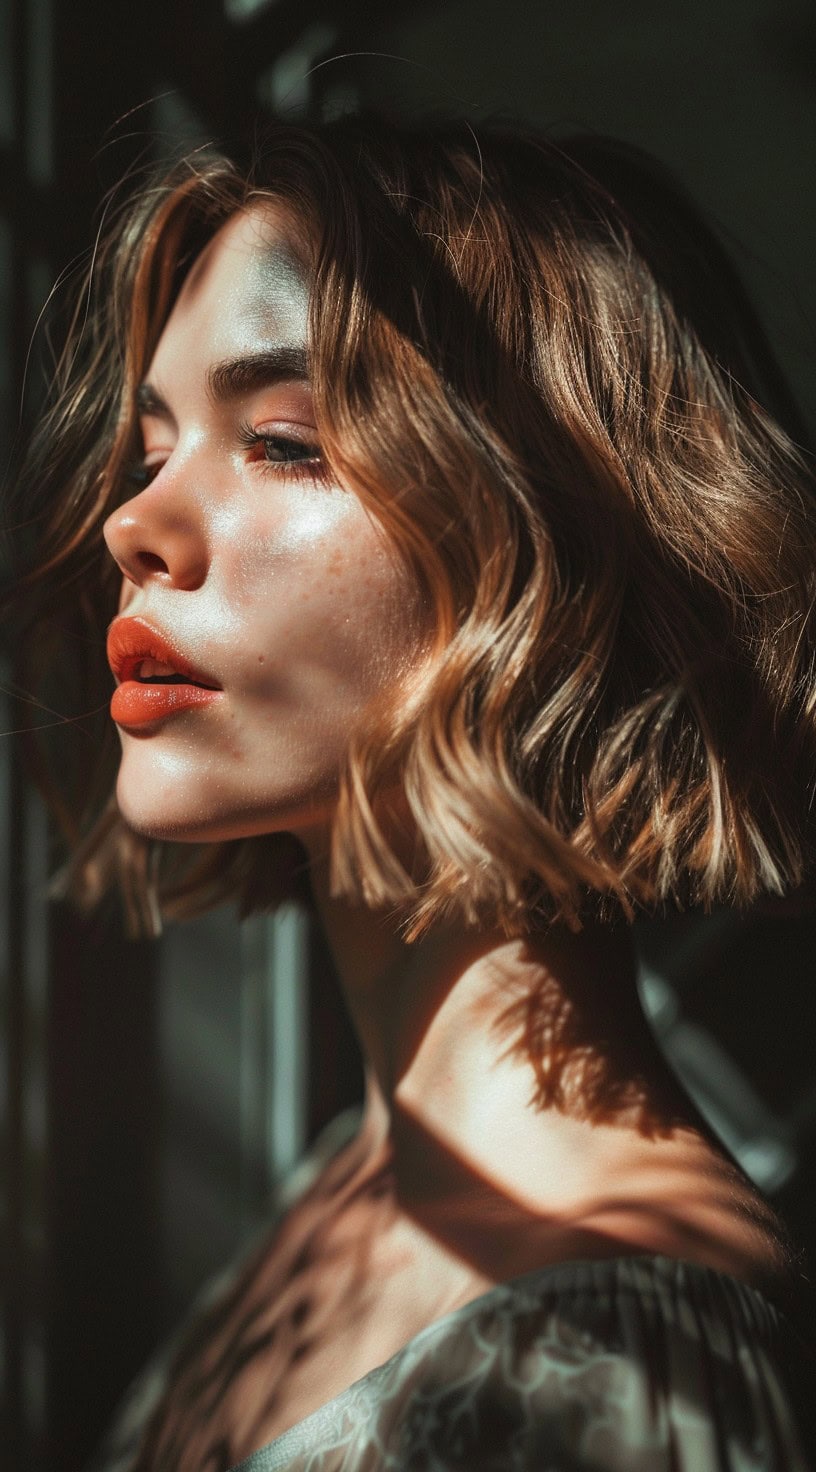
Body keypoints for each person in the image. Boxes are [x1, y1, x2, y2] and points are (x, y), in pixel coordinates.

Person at [9, 112, 816, 1470]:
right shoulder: (358, 1175)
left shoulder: (612, 1357)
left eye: (282, 440)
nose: (132, 522)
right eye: (153, 449)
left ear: (558, 540)